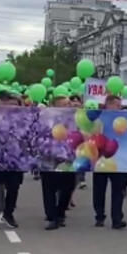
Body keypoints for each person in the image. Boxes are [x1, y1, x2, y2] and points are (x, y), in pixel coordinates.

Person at [92, 95, 127, 229]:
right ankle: (99, 216)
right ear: (108, 104)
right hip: (101, 158)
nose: (119, 108)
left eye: (120, 105)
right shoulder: (100, 118)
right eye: (117, 105)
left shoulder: (123, 119)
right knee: (99, 189)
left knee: (118, 190)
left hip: (118, 159)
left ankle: (117, 218)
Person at [42, 95, 77, 230]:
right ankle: (52, 217)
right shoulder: (46, 119)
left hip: (67, 160)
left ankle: (60, 212)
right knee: (49, 189)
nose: (67, 106)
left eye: (68, 104)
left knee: (67, 188)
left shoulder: (74, 119)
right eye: (64, 104)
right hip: (49, 160)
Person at [0, 91, 24, 229]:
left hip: (14, 160)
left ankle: (8, 213)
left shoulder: (21, 117)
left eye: (8, 101)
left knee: (13, 188)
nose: (6, 104)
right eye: (3, 100)